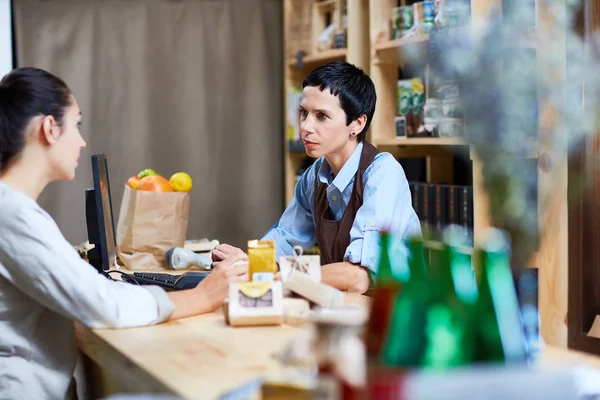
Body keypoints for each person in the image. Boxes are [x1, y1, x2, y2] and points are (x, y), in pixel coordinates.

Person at [0, 67, 248, 399]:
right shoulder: (13, 214)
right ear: (49, 128)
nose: (81, 140)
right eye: (76, 125)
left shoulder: (14, 210)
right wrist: (203, 296)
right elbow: (103, 304)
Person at [213, 61, 421, 294]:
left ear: (357, 123)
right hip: (348, 307)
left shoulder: (383, 175)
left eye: (321, 116)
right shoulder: (313, 177)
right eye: (304, 113)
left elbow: (358, 277)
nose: (305, 127)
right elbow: (286, 241)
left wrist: (280, 276)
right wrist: (247, 264)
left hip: (399, 315)